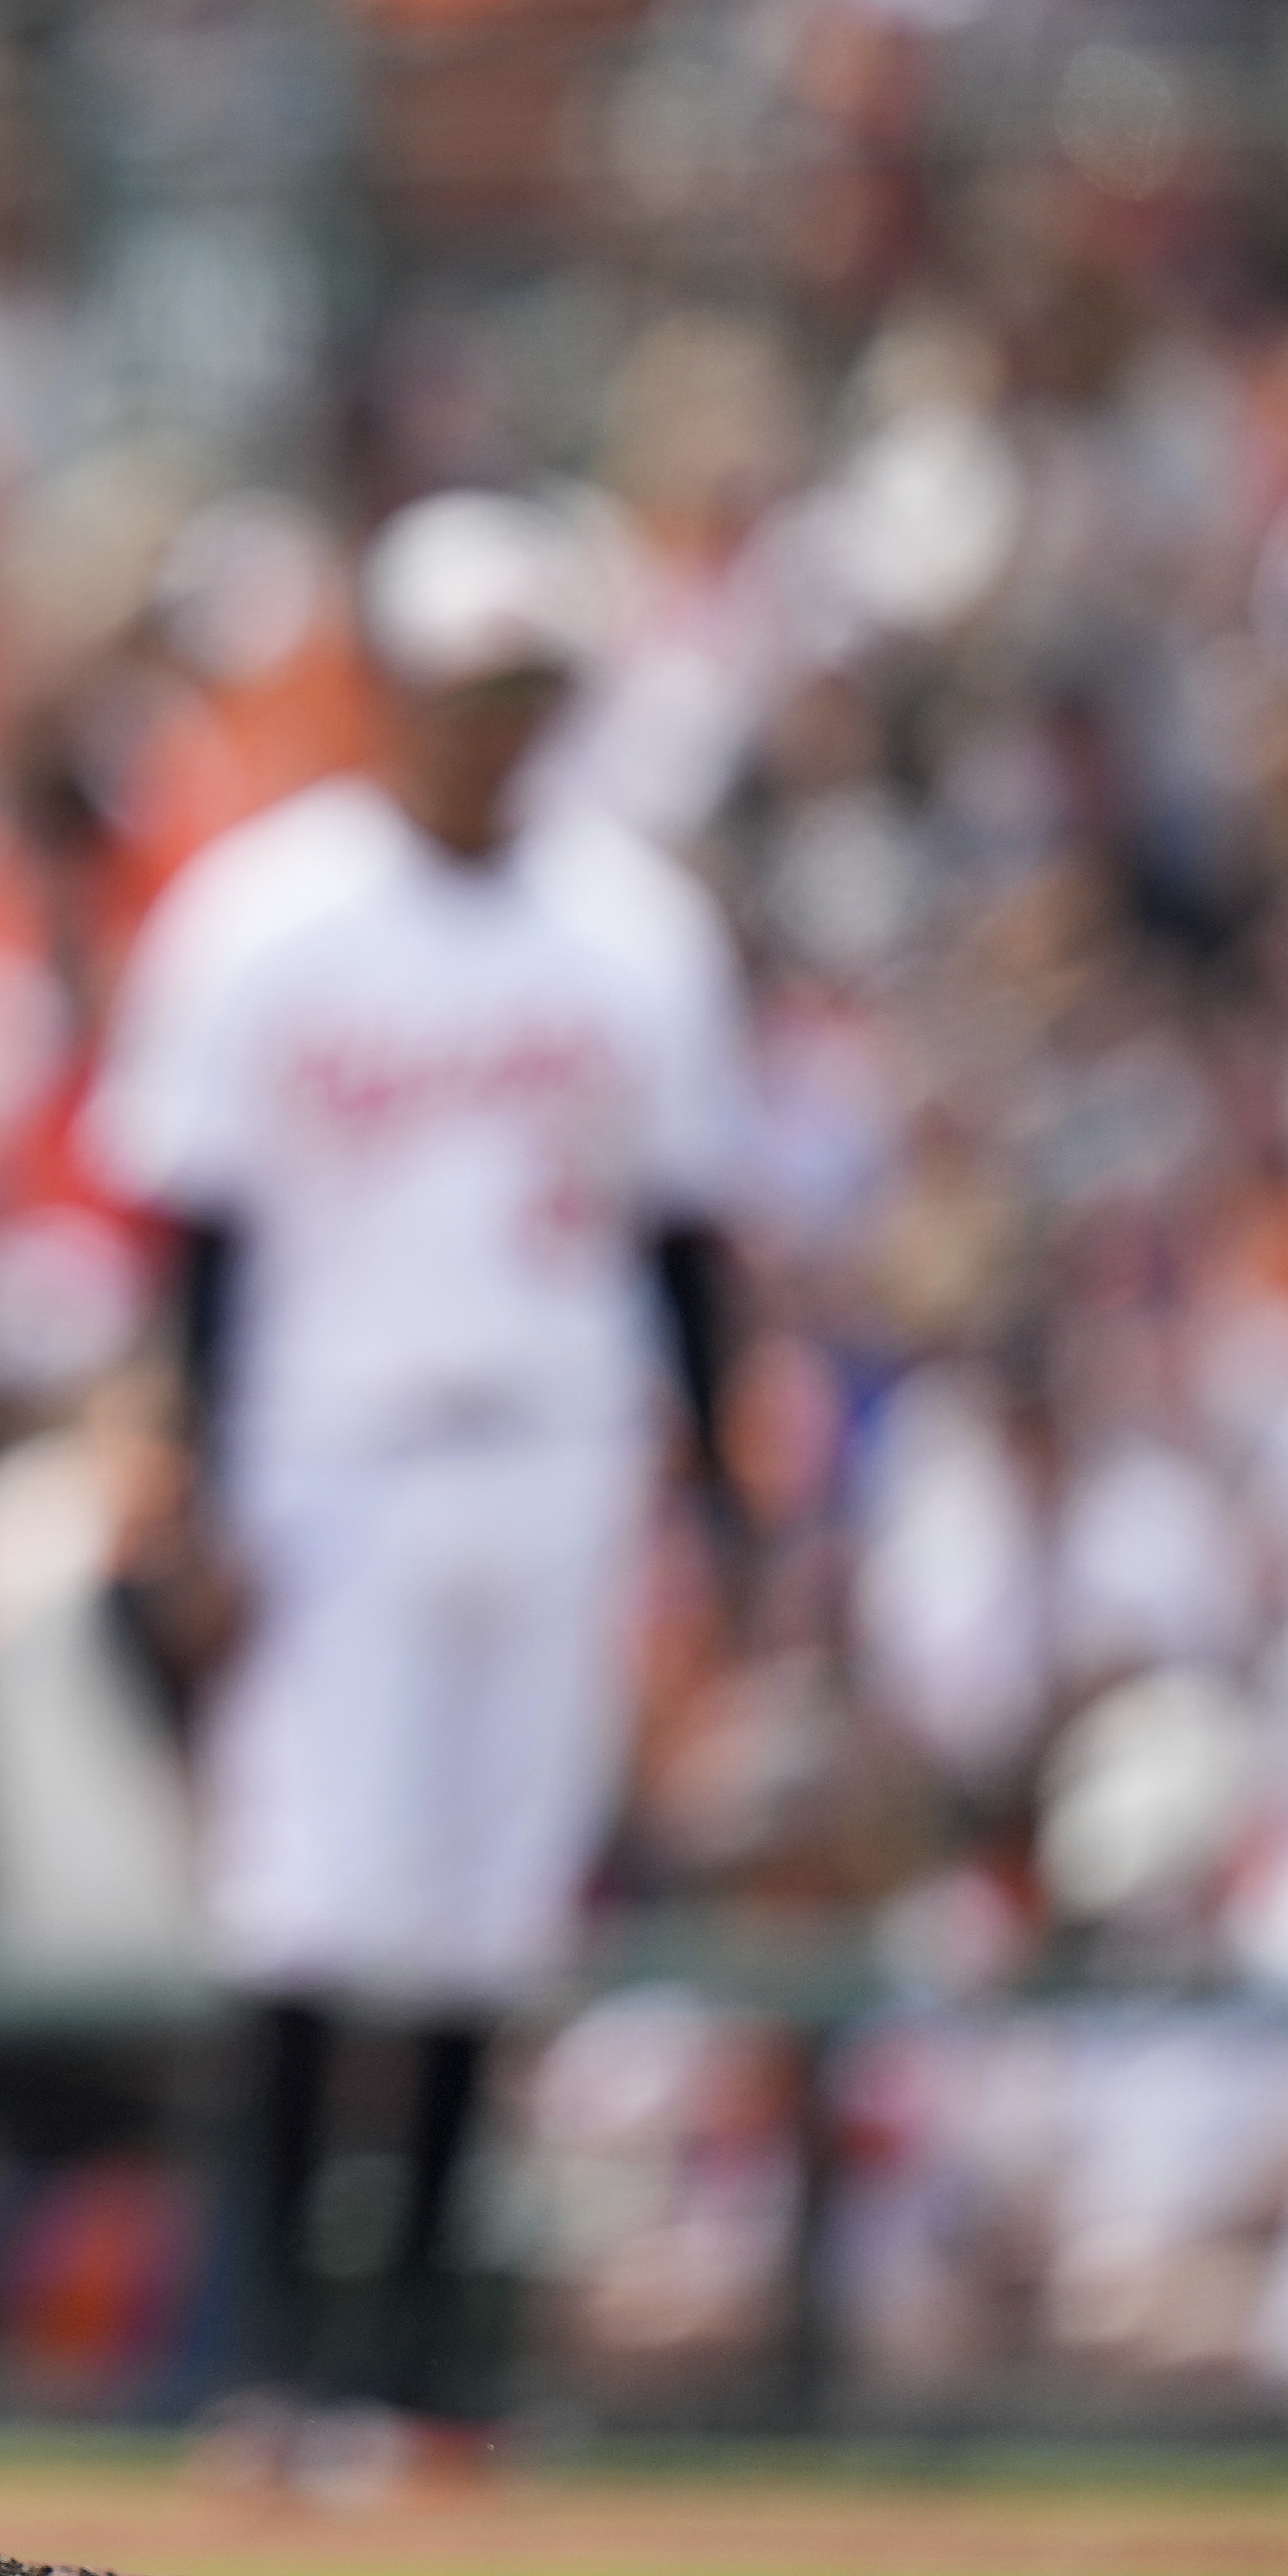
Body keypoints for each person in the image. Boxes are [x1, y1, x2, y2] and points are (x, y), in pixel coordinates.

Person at [86, 491, 749, 2459]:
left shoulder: (635, 922)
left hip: (555, 1444)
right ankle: (271, 2355)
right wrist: (186, 1481)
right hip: (330, 1455)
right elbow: (194, 1234)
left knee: (485, 1914)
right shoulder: (264, 909)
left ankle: (415, 2364)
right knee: (307, 1895)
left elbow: (681, 1240)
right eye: (465, 684)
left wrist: (722, 1499)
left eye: (525, 686)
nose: (494, 724)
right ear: (389, 688)